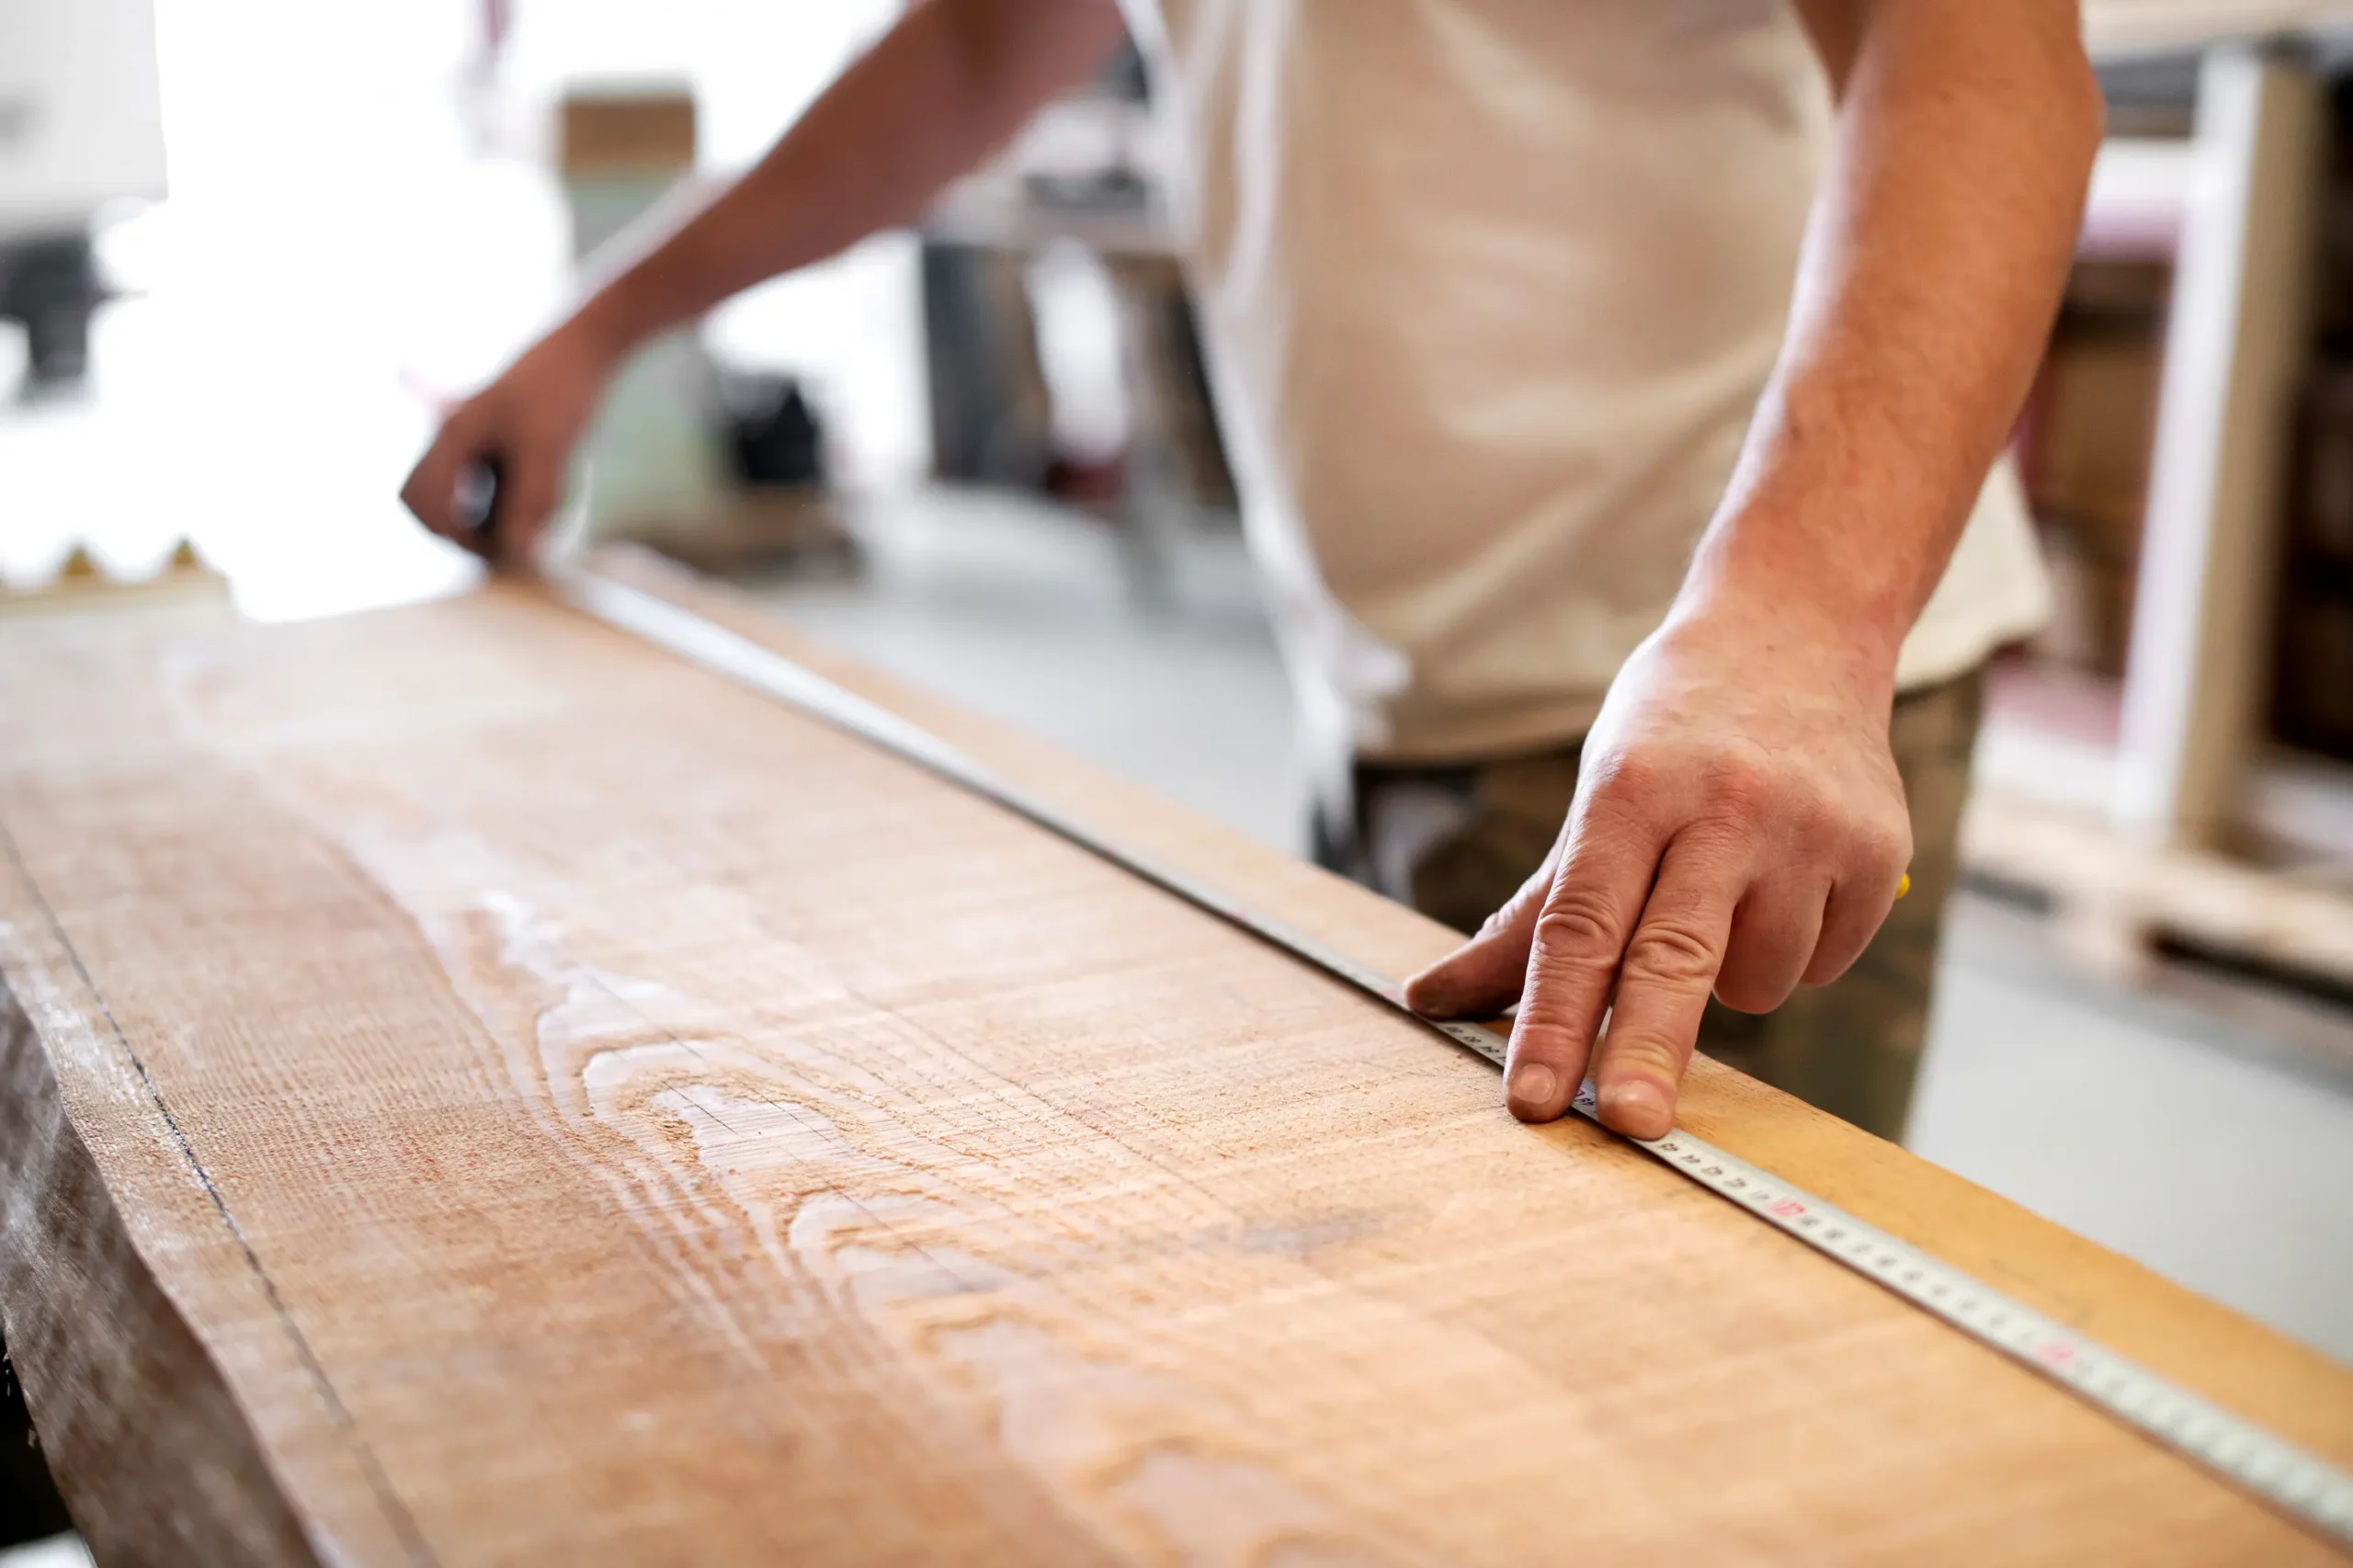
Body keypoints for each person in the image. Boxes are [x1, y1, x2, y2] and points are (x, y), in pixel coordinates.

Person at [403, 0, 2102, 1144]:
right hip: (1395, 691)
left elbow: (1977, 54)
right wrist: (608, 322)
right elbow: (991, 40)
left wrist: (1800, 621)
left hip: (1717, 731)